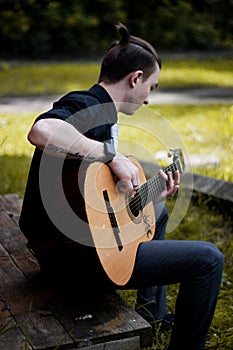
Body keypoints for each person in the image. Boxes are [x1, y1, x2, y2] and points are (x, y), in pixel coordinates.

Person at [19, 23, 223, 350]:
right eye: (152, 88)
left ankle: (153, 314)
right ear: (136, 78)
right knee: (209, 260)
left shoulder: (102, 115)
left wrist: (152, 191)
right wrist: (110, 155)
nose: (148, 100)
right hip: (71, 261)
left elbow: (96, 201)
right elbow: (41, 130)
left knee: (158, 212)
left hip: (67, 247)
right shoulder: (88, 105)